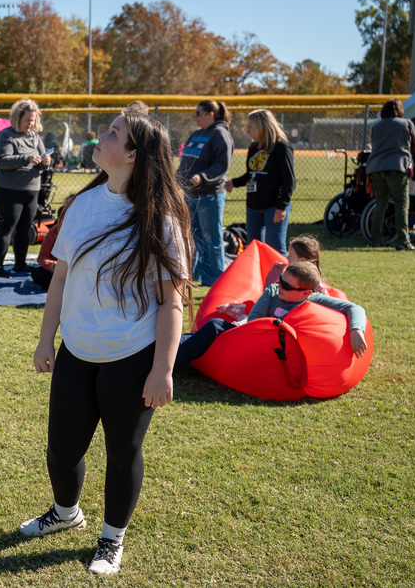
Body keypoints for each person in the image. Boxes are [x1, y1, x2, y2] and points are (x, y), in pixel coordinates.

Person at [20, 111, 193, 576]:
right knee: (61, 448)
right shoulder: (83, 204)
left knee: (122, 452)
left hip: (130, 358)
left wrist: (162, 369)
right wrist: (45, 338)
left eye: (114, 133)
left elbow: (171, 303)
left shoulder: (161, 221)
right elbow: (60, 278)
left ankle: (111, 539)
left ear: (134, 154)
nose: (103, 136)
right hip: (77, 352)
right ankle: (64, 513)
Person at [173, 261, 367, 372]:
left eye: (287, 286)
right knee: (213, 327)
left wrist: (356, 330)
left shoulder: (314, 300)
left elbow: (354, 308)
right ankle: (169, 358)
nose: (280, 286)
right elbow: (254, 320)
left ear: (306, 293)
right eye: (281, 280)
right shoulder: (274, 291)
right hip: (248, 334)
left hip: (274, 350)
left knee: (211, 329)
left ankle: (167, 355)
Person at [0, 98, 53, 277]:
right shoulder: (6, 135)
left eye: (33, 120)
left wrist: (46, 162)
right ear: (17, 118)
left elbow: (42, 161)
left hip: (31, 189)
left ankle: (20, 264)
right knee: (7, 227)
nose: (30, 123)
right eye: (27, 120)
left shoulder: (34, 136)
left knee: (25, 227)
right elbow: (1, 161)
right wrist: (26, 158)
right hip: (7, 189)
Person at [224, 109, 296, 256]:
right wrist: (234, 182)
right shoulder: (254, 147)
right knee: (253, 250)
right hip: (253, 206)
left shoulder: (281, 147)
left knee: (277, 250)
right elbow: (251, 174)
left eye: (250, 126)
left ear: (262, 126)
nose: (247, 131)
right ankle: (259, 279)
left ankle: (281, 279)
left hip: (274, 206)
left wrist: (282, 206)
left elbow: (289, 180)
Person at [178, 99, 233, 285]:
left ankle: (215, 278)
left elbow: (221, 165)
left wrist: (202, 176)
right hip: (190, 194)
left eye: (198, 113)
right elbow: (187, 158)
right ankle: (196, 276)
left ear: (211, 114)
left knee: (211, 238)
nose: (195, 116)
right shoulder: (196, 133)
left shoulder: (220, 134)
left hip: (209, 194)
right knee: (193, 238)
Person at [214, 234, 326, 321]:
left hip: (287, 316)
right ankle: (242, 314)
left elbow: (323, 303)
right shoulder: (288, 273)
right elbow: (269, 293)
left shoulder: (315, 285)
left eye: (291, 256)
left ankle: (242, 316)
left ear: (302, 261)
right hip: (275, 311)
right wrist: (276, 272)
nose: (287, 257)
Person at [368, 98, 415, 251]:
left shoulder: (376, 127)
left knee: (380, 203)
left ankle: (376, 238)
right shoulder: (407, 124)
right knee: (402, 204)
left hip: (377, 168)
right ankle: (403, 240)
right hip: (397, 167)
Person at [29, 194, 77, 292]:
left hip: (77, 270)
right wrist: (52, 265)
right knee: (37, 273)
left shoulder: (86, 231)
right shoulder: (54, 231)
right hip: (57, 270)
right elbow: (42, 257)